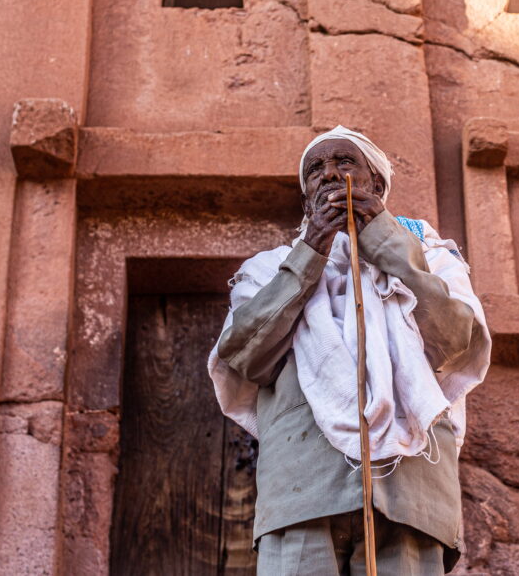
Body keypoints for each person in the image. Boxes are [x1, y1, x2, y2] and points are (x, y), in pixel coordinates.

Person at [207, 126, 491, 575]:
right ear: (306, 199)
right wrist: (312, 252)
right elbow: (244, 356)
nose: (328, 175)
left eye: (343, 162)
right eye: (315, 169)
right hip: (303, 489)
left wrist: (385, 244)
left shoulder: (432, 257)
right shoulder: (268, 269)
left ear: (375, 184)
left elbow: (457, 344)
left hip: (410, 491)